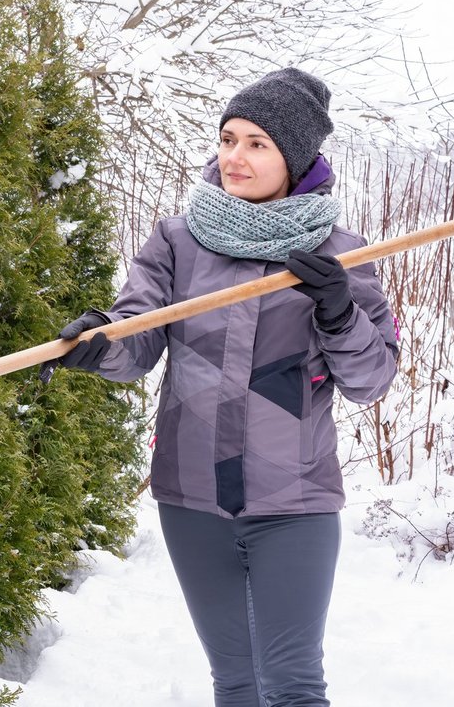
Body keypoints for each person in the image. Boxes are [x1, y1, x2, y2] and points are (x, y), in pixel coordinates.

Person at [43, 68, 399, 706]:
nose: (234, 156)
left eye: (257, 144)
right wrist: (100, 343)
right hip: (191, 498)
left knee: (292, 684)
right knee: (235, 681)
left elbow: (371, 382)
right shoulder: (178, 239)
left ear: (294, 157)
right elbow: (139, 337)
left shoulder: (338, 253)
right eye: (227, 138)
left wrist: (339, 312)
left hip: (294, 500)